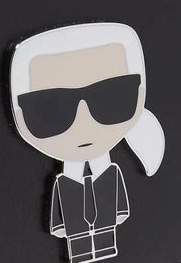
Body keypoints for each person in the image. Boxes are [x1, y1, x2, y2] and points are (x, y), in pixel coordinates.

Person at [10, 23, 165, 262]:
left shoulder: (108, 176)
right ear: (21, 112)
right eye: (50, 110)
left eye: (111, 96)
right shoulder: (67, 183)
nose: (83, 124)